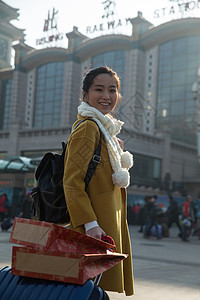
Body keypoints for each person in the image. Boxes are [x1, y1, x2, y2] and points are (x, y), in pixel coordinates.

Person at [63, 66, 134, 296]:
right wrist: (90, 224)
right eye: (99, 89)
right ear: (85, 95)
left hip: (103, 225)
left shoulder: (106, 131)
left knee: (93, 290)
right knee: (87, 291)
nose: (106, 96)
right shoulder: (88, 128)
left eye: (112, 90)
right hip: (93, 228)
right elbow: (72, 182)